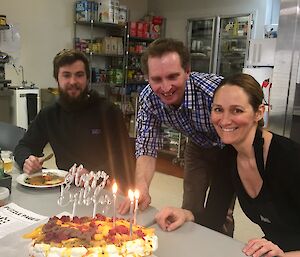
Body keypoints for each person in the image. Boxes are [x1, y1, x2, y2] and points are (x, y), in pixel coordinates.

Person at [155, 73, 300, 256]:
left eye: (237, 110)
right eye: (218, 109)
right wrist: (186, 215)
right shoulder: (227, 157)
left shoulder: (290, 158)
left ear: (259, 112)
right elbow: (213, 218)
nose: (224, 120)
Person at [118, 38, 234, 235]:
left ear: (187, 71)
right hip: (197, 145)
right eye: (156, 79)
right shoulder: (148, 99)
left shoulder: (214, 90)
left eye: (173, 77)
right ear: (147, 77)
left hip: (230, 149)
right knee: (190, 205)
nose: (165, 87)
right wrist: (142, 186)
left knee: (222, 211)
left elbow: (251, 109)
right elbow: (146, 146)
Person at [14, 49, 135, 192]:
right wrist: (27, 161)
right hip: (66, 190)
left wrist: (94, 175)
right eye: (66, 75)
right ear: (57, 79)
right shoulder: (49, 114)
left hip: (105, 190)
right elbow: (23, 146)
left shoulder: (109, 112)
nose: (73, 81)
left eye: (79, 75)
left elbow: (124, 158)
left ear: (87, 79)